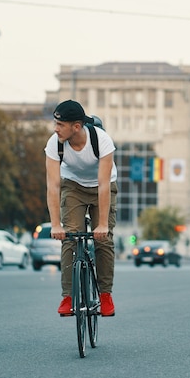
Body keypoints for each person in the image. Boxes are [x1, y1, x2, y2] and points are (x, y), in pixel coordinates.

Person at [44, 99, 118, 317]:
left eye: (60, 124)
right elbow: (53, 186)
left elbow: (104, 185)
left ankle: (105, 294)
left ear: (76, 126)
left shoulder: (101, 141)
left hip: (101, 187)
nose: (55, 128)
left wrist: (102, 224)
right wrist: (56, 224)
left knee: (103, 240)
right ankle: (67, 296)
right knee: (70, 238)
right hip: (73, 187)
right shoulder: (54, 144)